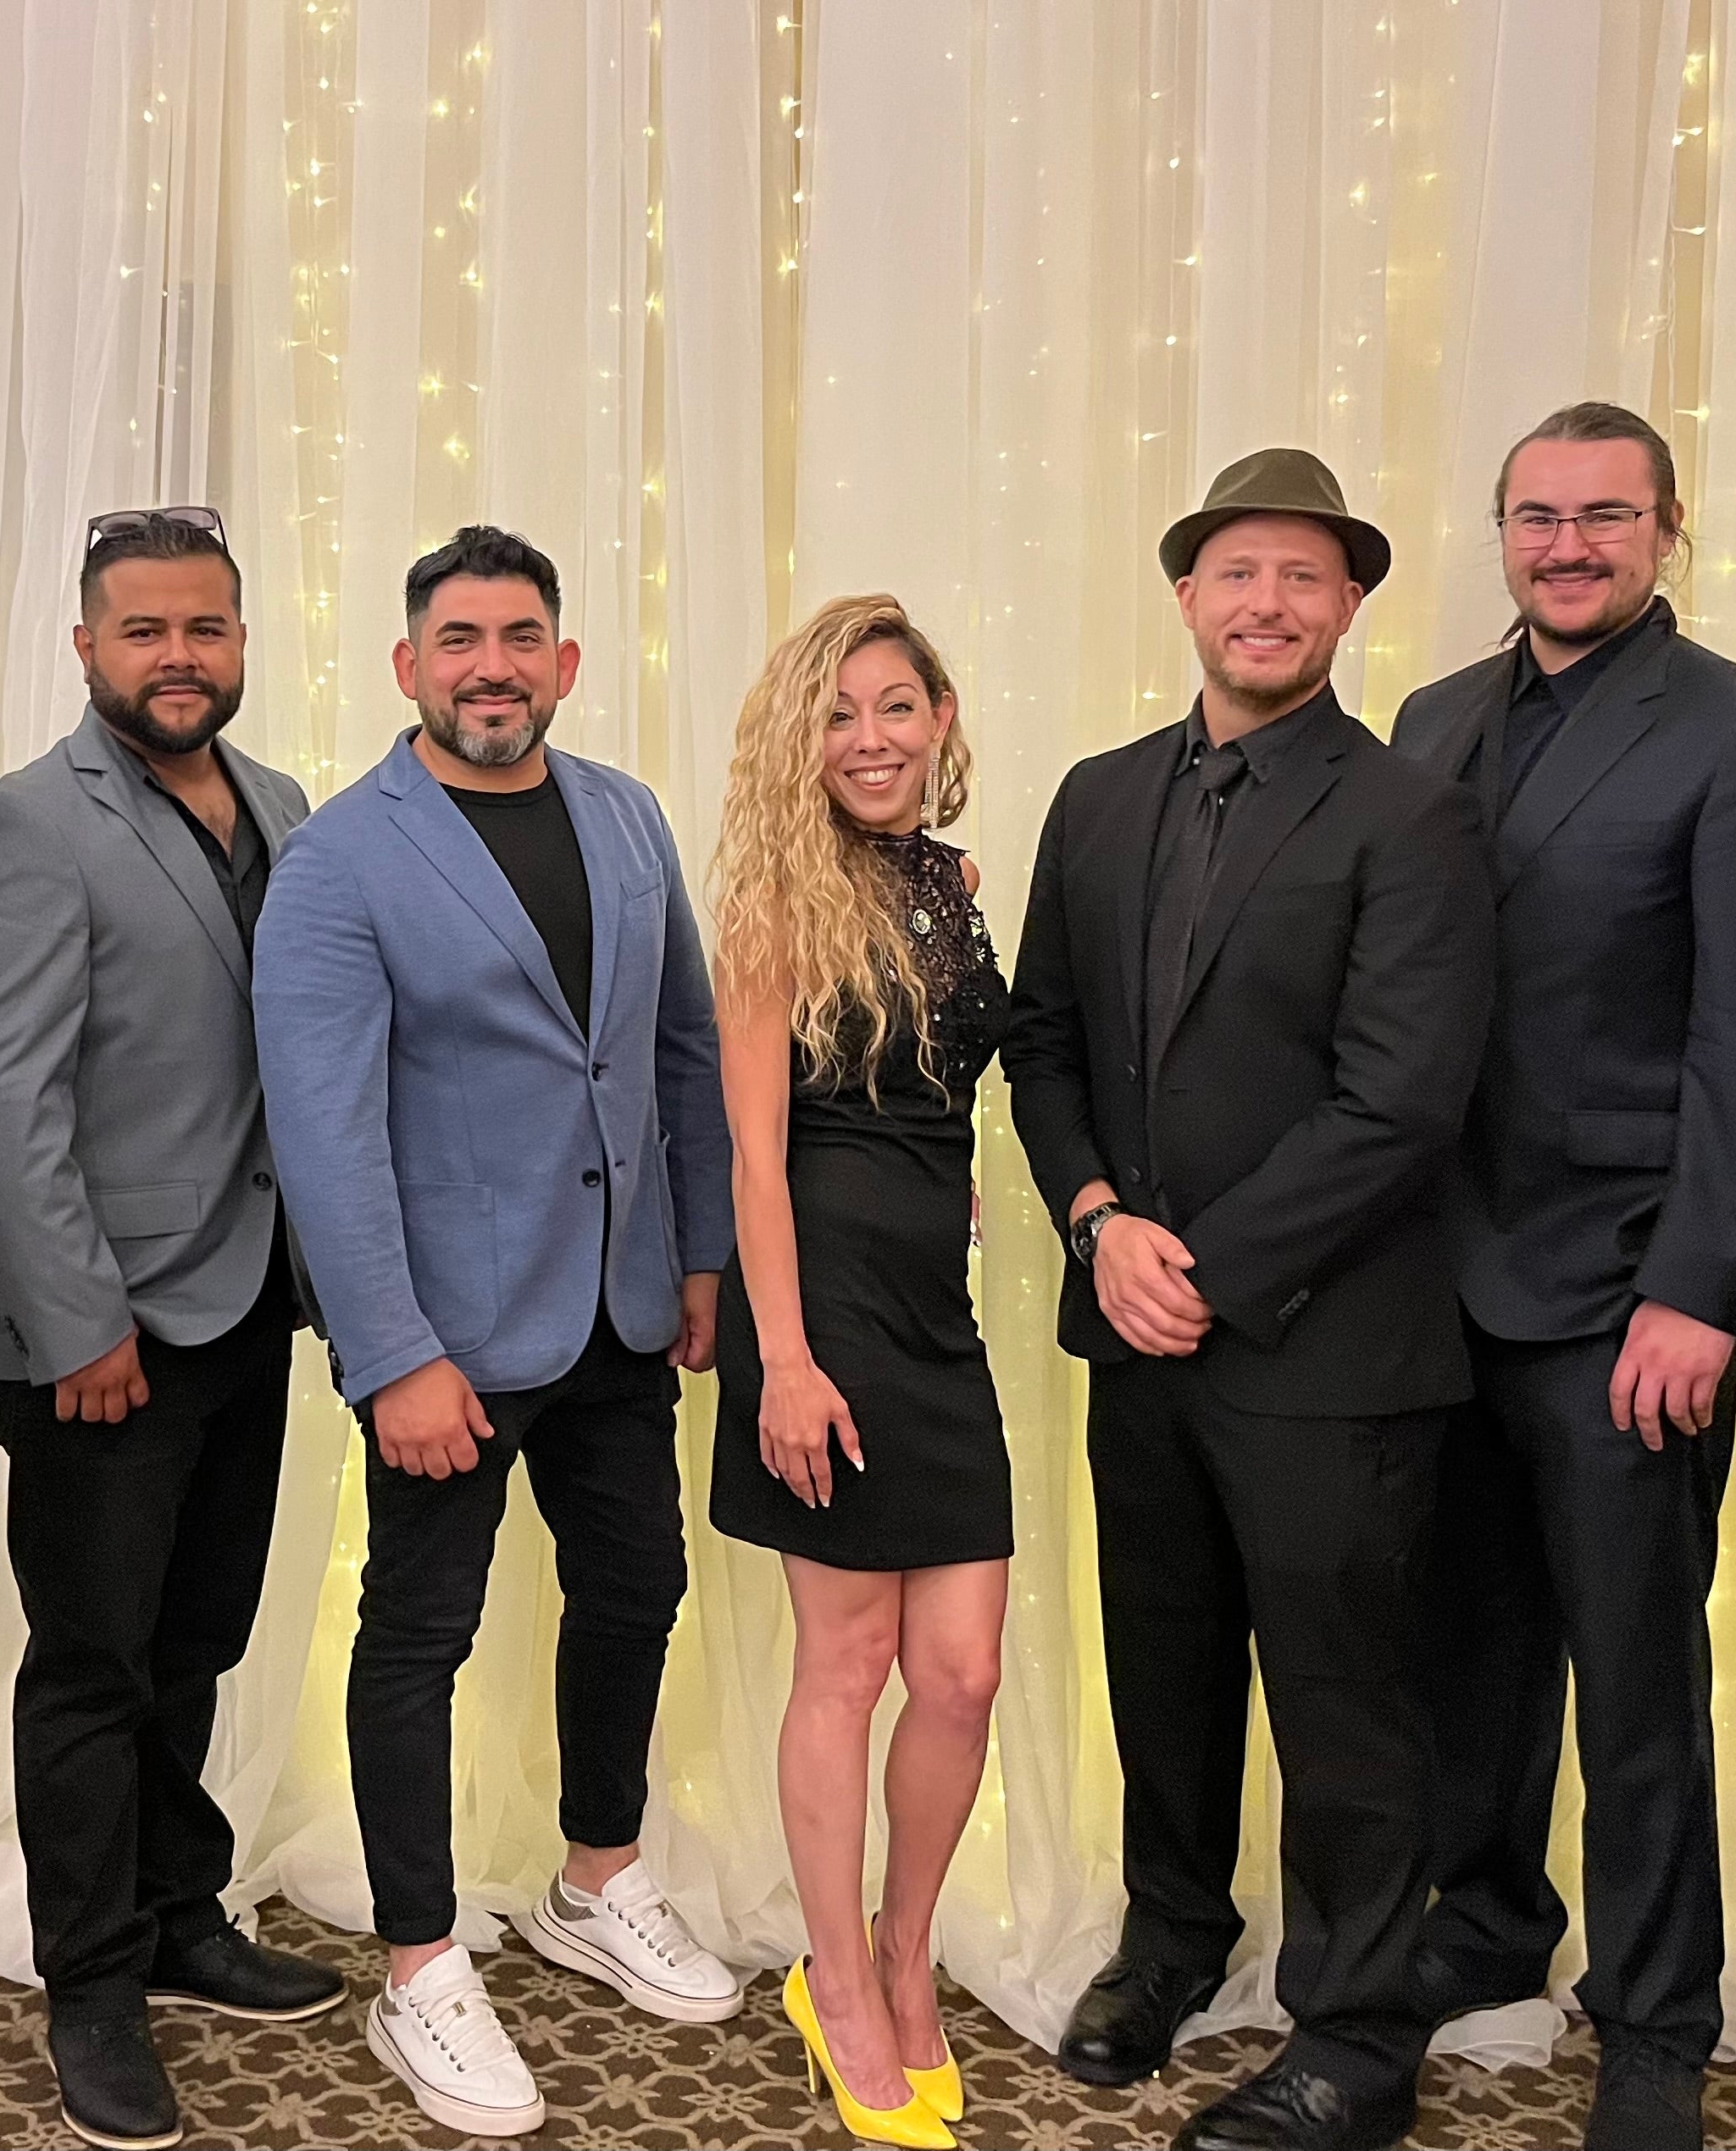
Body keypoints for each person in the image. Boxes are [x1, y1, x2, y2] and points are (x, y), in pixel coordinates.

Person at [1009, 450, 1494, 2151]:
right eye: (1238, 573)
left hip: (1331, 1348)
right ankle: (1172, 1938)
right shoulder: (1098, 792)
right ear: (1190, 595)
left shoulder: (1410, 810)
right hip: (1132, 1329)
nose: (1268, 602)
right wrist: (1094, 1223)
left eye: (1304, 576)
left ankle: (1360, 2029)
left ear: (1349, 602)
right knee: (1165, 1660)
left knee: (1349, 1702)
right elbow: (1046, 1037)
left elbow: (1403, 1097)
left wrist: (1198, 1266)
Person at [1386, 403, 1736, 2150]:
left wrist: (1700, 1287)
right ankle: (1492, 1917)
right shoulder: (1434, 719)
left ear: (1668, 529)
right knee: (1472, 1659)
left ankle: (1659, 2017)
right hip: (1441, 1288)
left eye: (1603, 515)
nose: (1564, 544)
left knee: (1639, 1683)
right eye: (1534, 516)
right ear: (1499, 533)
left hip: (1624, 1300)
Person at [253, 524, 741, 2140]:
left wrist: (697, 1258)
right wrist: (391, 1352)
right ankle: (417, 1965)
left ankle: (595, 1879)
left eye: (521, 637)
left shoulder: (624, 814)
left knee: (639, 1587)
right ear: (408, 667)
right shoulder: (341, 854)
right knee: (418, 1639)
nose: (491, 667)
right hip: (448, 1339)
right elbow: (323, 1132)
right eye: (458, 640)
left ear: (565, 660)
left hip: (614, 1305)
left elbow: (677, 1049)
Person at [0, 507, 341, 2151]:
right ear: (88, 646)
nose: (180, 656)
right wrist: (73, 1318)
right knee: (94, 1663)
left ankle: (181, 1913)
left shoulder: (288, 804)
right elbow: (4, 1089)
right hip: (103, 1325)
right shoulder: (28, 824)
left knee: (199, 1640)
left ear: (240, 638)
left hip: (251, 1301)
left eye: (207, 628)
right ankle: (91, 1984)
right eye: (146, 631)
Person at [706, 595, 1008, 2150]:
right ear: (800, 742)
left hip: (936, 1317)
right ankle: (835, 1975)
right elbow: (755, 1159)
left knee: (962, 1671)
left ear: (940, 720)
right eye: (839, 715)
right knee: (849, 1664)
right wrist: (783, 1360)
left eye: (897, 707)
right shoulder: (772, 897)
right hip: (818, 1317)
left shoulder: (954, 883)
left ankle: (906, 1951)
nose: (872, 739)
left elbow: (943, 1093)